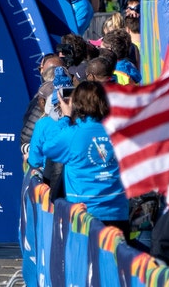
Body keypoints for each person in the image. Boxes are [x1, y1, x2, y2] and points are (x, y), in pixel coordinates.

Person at [36, 81, 129, 234]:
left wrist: (66, 117)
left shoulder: (72, 134)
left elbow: (48, 148)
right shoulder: (119, 132)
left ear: (76, 104)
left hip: (84, 215)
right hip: (117, 212)